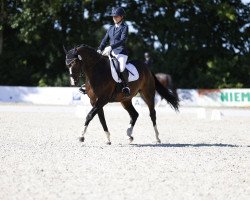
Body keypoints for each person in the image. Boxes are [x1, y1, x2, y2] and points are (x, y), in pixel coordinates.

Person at [97, 7, 130, 97]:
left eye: (116, 16)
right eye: (113, 16)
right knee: (98, 63)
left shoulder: (125, 27)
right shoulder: (110, 28)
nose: (114, 18)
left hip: (121, 52)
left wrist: (111, 46)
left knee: (122, 68)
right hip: (110, 51)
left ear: (122, 17)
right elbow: (105, 39)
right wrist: (100, 48)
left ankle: (126, 86)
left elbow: (122, 40)